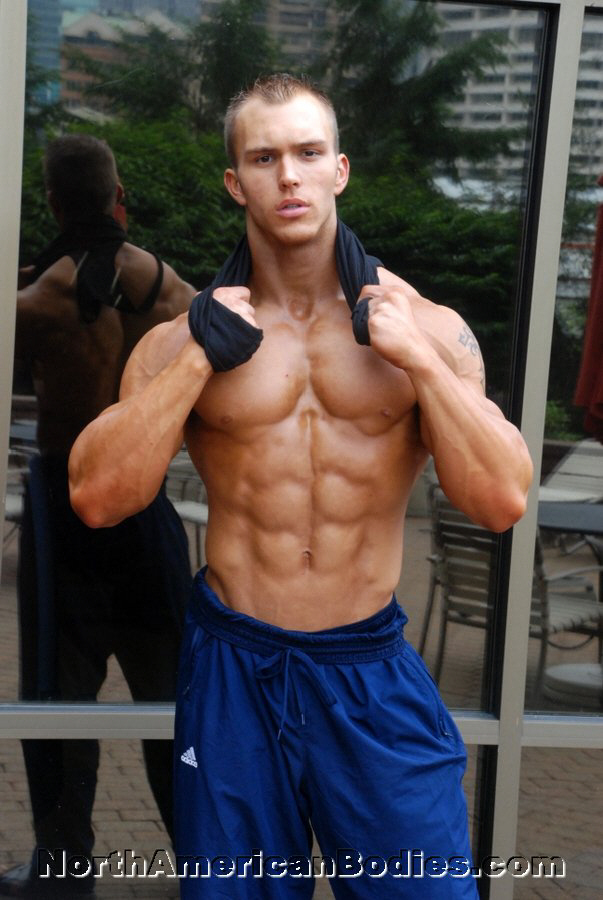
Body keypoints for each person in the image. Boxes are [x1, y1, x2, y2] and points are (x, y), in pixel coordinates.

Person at [68, 76, 533, 898]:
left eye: (308, 153)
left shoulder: (427, 329)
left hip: (368, 670)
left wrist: (420, 365)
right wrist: (197, 363)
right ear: (234, 181)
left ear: (339, 169)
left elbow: (499, 502)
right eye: (264, 157)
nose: (288, 175)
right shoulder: (180, 341)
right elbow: (98, 498)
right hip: (234, 670)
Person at [0, 134, 196, 898]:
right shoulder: (174, 293)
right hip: (145, 504)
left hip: (67, 507)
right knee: (176, 700)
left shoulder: (35, 304)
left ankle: (63, 869)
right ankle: (203, 864)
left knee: (58, 698)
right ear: (119, 198)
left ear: (52, 203)